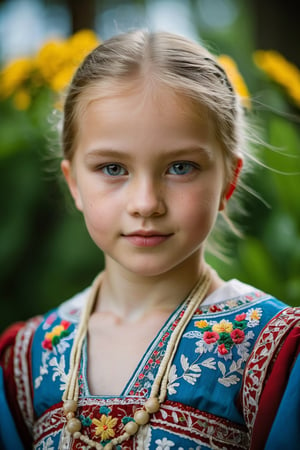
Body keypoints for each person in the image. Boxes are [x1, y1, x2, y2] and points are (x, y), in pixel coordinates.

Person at [0, 30, 299, 450]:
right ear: (74, 184)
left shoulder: (275, 353)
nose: (145, 203)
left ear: (229, 180)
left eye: (180, 167)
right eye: (112, 169)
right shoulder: (24, 363)